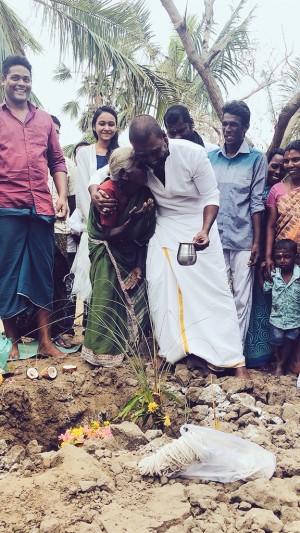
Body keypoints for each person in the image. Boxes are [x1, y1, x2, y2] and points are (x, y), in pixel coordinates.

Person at [94, 115, 250, 378]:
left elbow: (211, 195)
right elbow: (102, 173)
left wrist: (204, 229)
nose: (152, 159)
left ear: (165, 138)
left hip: (200, 225)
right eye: (144, 155)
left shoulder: (193, 153)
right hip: (164, 225)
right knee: (160, 286)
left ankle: (233, 360)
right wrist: (94, 192)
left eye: (156, 151)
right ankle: (171, 352)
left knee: (213, 291)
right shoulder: (137, 158)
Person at [0, 55, 67, 360]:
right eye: (15, 77)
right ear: (4, 80)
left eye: (26, 78)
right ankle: (12, 343)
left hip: (41, 207)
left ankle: (44, 340)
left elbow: (57, 161)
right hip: (6, 208)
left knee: (43, 273)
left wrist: (62, 196)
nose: (21, 83)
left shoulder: (44, 120)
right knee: (7, 272)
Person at [82, 147, 156, 367]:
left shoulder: (144, 193)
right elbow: (108, 235)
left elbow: (141, 237)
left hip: (131, 253)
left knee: (137, 294)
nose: (145, 169)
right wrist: (131, 222)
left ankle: (127, 346)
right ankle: (101, 353)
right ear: (125, 174)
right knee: (107, 296)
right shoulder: (108, 193)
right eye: (139, 166)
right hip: (108, 249)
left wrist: (139, 265)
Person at [208, 100, 268, 346]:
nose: (228, 129)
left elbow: (257, 203)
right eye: (225, 124)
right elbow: (204, 197)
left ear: (245, 127)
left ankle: (235, 352)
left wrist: (256, 242)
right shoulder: (210, 158)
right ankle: (214, 348)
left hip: (243, 239)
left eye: (234, 125)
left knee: (241, 297)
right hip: (213, 239)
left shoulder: (256, 159)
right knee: (216, 293)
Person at [72, 106, 119, 302]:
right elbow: (83, 189)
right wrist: (95, 218)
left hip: (118, 223)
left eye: (111, 124)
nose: (106, 128)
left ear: (116, 127)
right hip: (92, 223)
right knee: (91, 276)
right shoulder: (84, 154)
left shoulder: (122, 153)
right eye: (102, 123)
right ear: (94, 126)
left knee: (113, 278)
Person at [244, 149, 285, 367]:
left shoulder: (280, 192)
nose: (278, 171)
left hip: (270, 254)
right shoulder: (255, 189)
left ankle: (265, 354)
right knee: (244, 298)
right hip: (246, 248)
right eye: (274, 166)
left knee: (265, 301)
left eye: (282, 167)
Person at [265, 139, 300, 373]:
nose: (289, 164)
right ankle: (282, 361)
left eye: (295, 159)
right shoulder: (276, 191)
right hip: (283, 256)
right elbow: (270, 226)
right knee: (282, 309)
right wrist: (268, 256)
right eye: (286, 160)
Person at [48, 115, 77, 345]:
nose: (53, 134)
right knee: (40, 280)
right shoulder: (30, 162)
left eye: (56, 131)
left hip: (63, 231)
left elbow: (74, 201)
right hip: (36, 228)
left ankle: (62, 328)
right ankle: (38, 330)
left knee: (62, 281)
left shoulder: (69, 165)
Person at [263, 239, 300, 375]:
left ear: (295, 257)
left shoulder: (299, 275)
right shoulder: (274, 275)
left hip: (295, 320)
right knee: (277, 342)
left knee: (290, 341)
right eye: (278, 257)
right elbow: (266, 290)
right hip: (277, 319)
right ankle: (279, 361)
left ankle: (282, 365)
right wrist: (261, 273)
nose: (282, 260)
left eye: (286, 257)